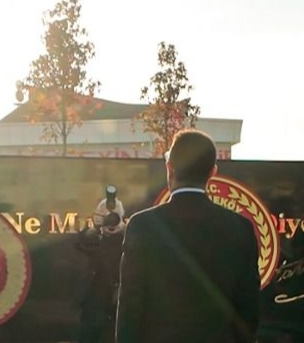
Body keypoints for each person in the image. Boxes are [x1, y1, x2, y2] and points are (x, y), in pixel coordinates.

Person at [115, 129, 260, 343]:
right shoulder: (241, 228)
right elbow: (248, 310)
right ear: (213, 172)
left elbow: (130, 307)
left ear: (169, 168)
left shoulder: (142, 226)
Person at [77, 191, 126, 343]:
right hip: (95, 303)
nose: (111, 220)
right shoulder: (94, 238)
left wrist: (122, 231)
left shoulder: (128, 237)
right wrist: (98, 228)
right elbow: (83, 244)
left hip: (120, 301)